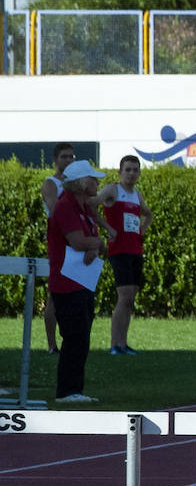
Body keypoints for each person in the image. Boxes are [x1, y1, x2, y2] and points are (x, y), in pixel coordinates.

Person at [46, 159, 107, 404]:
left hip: (82, 280)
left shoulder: (81, 207)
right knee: (75, 336)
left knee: (82, 335)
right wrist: (98, 244)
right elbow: (79, 241)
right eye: (93, 178)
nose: (97, 182)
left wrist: (95, 245)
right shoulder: (65, 207)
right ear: (82, 183)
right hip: (68, 282)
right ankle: (67, 391)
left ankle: (75, 390)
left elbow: (89, 240)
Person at [96, 154, 152, 355]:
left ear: (139, 173)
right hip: (119, 250)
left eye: (135, 170)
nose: (131, 173)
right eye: (127, 169)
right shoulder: (113, 189)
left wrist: (140, 231)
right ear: (120, 172)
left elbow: (148, 214)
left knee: (130, 299)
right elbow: (92, 205)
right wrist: (107, 228)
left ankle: (123, 343)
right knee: (125, 296)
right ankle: (114, 345)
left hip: (135, 250)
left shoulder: (137, 195)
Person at [38, 143, 77, 354]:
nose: (69, 160)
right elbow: (56, 211)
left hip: (77, 241)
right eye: (64, 157)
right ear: (55, 159)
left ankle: (72, 339)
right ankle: (52, 345)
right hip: (59, 243)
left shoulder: (78, 183)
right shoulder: (50, 184)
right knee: (55, 294)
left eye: (71, 156)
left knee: (76, 292)